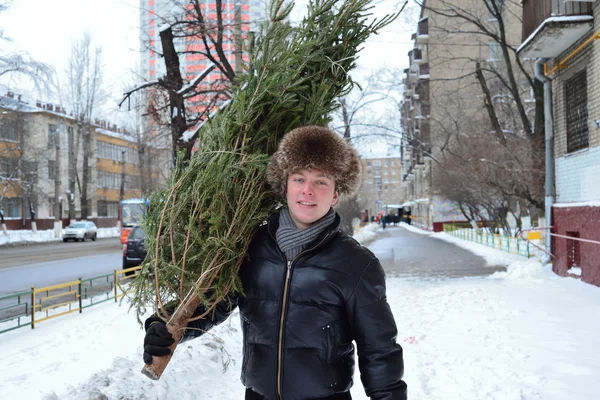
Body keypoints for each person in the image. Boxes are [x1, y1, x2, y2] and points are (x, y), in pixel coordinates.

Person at [143, 126, 407, 400]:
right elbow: (212, 304)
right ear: (285, 186)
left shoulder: (356, 264)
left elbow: (379, 351)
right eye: (299, 179)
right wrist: (162, 327)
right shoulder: (249, 246)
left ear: (336, 194)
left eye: (321, 181)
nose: (308, 191)